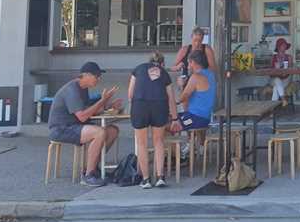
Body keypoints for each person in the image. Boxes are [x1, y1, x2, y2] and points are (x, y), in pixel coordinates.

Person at [48, 62, 123, 187]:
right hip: (62, 129)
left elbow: (90, 110)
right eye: (97, 76)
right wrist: (102, 101)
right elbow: (82, 116)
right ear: (86, 75)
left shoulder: (83, 89)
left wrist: (109, 105)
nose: (99, 79)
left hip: (75, 126)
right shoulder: (72, 90)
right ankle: (88, 175)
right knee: (99, 132)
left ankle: (94, 167)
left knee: (112, 131)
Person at [128, 51, 179, 189]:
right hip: (159, 106)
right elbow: (171, 99)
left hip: (140, 105)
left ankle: (145, 180)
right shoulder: (164, 73)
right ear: (162, 64)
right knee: (158, 142)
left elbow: (130, 94)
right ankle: (160, 177)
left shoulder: (138, 69)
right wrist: (175, 118)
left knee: (142, 143)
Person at [176, 50, 217, 134]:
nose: (187, 67)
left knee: (168, 123)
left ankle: (171, 147)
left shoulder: (196, 77)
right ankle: (194, 145)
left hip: (195, 119)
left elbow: (183, 97)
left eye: (188, 63)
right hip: (205, 118)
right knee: (176, 118)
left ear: (193, 62)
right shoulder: (211, 75)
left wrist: (180, 85)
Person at [268, 37, 292, 102]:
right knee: (276, 79)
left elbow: (291, 70)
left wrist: (285, 71)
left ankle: (272, 108)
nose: (285, 47)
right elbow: (269, 71)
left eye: (285, 45)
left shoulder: (289, 57)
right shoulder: (273, 57)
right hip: (273, 79)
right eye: (283, 45)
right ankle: (283, 99)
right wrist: (276, 70)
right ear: (278, 47)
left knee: (276, 87)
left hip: (285, 79)